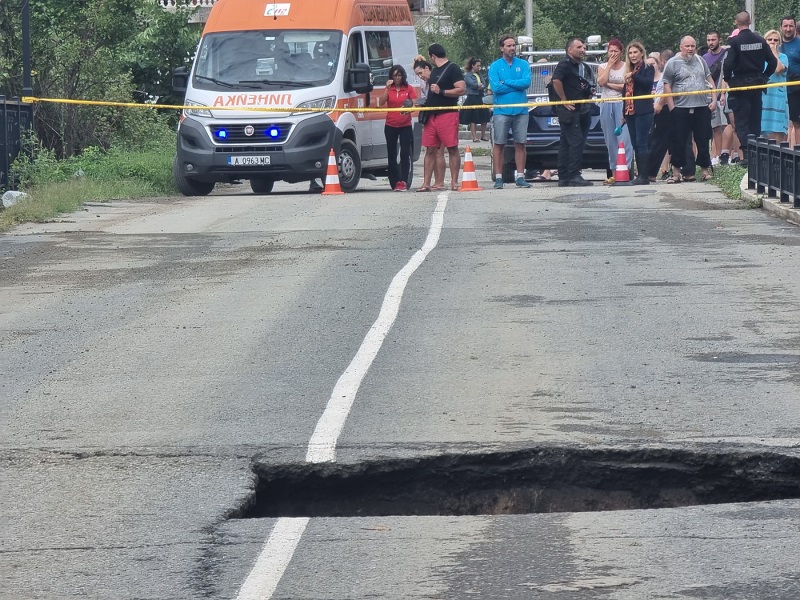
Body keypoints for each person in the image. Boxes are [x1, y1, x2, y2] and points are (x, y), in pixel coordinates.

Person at [723, 11, 777, 166]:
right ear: (750, 21)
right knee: (755, 119)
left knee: (741, 121)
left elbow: (728, 65)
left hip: (739, 87)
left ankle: (746, 156)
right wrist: (765, 77)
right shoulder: (760, 40)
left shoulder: (734, 42)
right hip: (757, 85)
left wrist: (729, 79)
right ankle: (755, 154)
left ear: (736, 22)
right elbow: (772, 62)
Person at [661, 36, 716, 183]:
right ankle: (676, 173)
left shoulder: (700, 60)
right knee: (678, 141)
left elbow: (710, 80)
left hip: (701, 107)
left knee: (703, 139)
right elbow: (667, 85)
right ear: (681, 47)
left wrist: (714, 99)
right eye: (687, 46)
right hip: (680, 108)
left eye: (693, 46)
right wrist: (671, 106)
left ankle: (705, 170)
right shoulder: (672, 63)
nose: (690, 49)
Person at [416, 43, 465, 192]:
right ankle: (426, 183)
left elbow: (461, 89)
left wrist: (442, 91)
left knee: (452, 148)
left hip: (447, 113)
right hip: (432, 115)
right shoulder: (435, 71)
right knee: (429, 149)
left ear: (432, 56)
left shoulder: (453, 68)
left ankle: (455, 182)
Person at [488, 34, 533, 189]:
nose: (512, 48)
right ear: (502, 48)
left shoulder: (523, 64)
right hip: (501, 111)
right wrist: (515, 84)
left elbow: (526, 82)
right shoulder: (494, 66)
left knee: (520, 143)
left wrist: (506, 82)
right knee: (499, 143)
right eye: (508, 45)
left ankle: (520, 176)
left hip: (521, 110)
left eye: (513, 45)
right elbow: (496, 88)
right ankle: (499, 177)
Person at [550, 36, 594, 187]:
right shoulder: (565, 63)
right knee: (576, 142)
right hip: (569, 110)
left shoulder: (579, 66)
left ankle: (564, 177)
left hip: (580, 109)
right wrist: (564, 99)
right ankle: (574, 175)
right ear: (570, 49)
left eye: (584, 48)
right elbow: (556, 80)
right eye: (579, 47)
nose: (583, 50)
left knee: (566, 143)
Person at [597, 38, 633, 184]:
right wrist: (610, 66)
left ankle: (626, 171)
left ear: (621, 52)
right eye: (610, 51)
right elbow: (601, 82)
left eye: (615, 51)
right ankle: (614, 172)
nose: (613, 54)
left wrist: (610, 84)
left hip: (622, 103)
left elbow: (626, 86)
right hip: (606, 104)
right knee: (610, 141)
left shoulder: (626, 66)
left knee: (624, 140)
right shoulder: (603, 66)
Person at [378, 65, 417, 191]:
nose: (397, 78)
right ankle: (394, 182)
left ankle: (404, 181)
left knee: (405, 153)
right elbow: (381, 103)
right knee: (392, 154)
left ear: (403, 76)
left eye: (399, 75)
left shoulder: (409, 88)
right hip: (390, 125)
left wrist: (408, 109)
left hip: (405, 125)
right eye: (395, 75)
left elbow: (414, 103)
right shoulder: (389, 88)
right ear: (391, 77)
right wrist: (387, 89)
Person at [623, 40, 655, 184]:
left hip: (643, 110)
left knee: (642, 143)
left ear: (642, 53)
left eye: (635, 52)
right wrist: (624, 112)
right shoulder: (629, 70)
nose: (633, 55)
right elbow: (625, 91)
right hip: (630, 111)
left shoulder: (648, 68)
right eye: (630, 53)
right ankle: (640, 174)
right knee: (635, 143)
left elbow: (647, 83)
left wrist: (633, 76)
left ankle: (644, 176)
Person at [413, 56, 446, 191]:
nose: (420, 76)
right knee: (429, 150)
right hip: (429, 117)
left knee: (439, 151)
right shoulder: (423, 84)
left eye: (421, 73)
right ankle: (426, 183)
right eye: (417, 75)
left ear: (427, 68)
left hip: (442, 116)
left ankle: (440, 182)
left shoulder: (438, 79)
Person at [703, 31, 728, 162]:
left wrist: (722, 92)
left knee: (726, 126)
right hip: (710, 96)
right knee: (716, 127)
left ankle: (727, 154)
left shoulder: (726, 55)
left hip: (723, 95)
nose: (711, 42)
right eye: (709, 40)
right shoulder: (704, 58)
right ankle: (717, 157)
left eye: (713, 39)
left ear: (719, 40)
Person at [762, 30, 789, 142]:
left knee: (778, 130)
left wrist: (773, 53)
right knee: (763, 130)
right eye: (770, 40)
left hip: (778, 98)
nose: (773, 42)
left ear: (780, 43)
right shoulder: (760, 58)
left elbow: (778, 69)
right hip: (764, 97)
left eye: (776, 40)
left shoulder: (783, 57)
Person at [780, 16, 800, 145]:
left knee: (797, 122)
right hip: (779, 89)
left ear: (795, 28)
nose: (788, 29)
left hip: (796, 89)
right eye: (785, 26)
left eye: (791, 26)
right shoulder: (776, 44)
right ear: (781, 27)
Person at [461, 57, 491, 142]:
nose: (479, 67)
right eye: (477, 65)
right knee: (473, 118)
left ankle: (483, 135)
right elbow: (473, 85)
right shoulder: (468, 76)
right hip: (472, 97)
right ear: (473, 66)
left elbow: (484, 84)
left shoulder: (479, 74)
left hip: (480, 96)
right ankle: (474, 137)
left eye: (480, 66)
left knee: (485, 116)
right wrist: (478, 86)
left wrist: (479, 86)